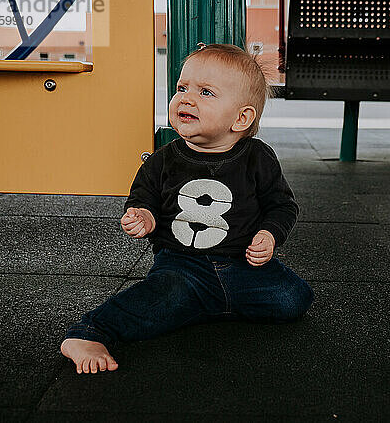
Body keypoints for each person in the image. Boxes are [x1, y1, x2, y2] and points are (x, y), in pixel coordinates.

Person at [60, 43, 314, 374]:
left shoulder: (258, 158)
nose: (186, 98)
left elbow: (282, 205)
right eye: (182, 88)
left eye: (206, 92)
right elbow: (145, 198)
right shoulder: (164, 159)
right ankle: (89, 333)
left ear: (241, 118)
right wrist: (143, 217)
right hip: (182, 266)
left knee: (294, 298)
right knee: (158, 297)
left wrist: (269, 234)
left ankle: (211, 302)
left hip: (243, 266)